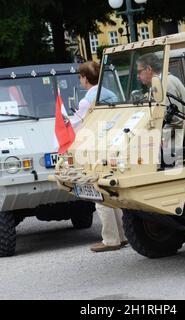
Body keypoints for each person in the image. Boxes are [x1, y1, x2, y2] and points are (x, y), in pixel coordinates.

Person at [72, 61, 128, 252]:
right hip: (115, 145)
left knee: (99, 192)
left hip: (97, 148)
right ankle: (122, 235)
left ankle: (110, 239)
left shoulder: (87, 100)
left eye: (80, 77)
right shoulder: (111, 93)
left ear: (85, 79)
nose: (80, 80)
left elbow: (79, 125)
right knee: (113, 191)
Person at [136, 53, 185, 167]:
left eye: (139, 71)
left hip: (180, 140)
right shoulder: (160, 83)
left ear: (149, 69)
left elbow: (177, 119)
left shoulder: (166, 84)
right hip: (174, 138)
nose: (137, 76)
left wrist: (157, 137)